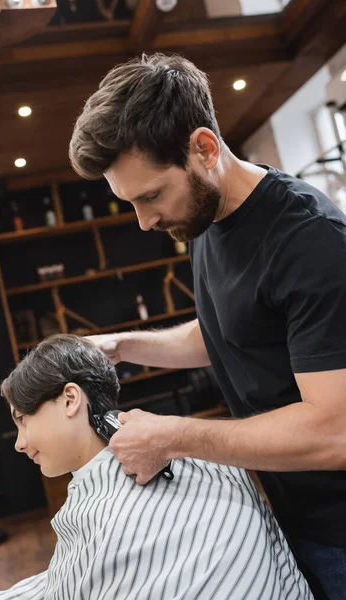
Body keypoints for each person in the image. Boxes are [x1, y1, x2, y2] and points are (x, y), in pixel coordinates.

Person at [69, 53, 346, 599]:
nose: (145, 221)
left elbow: (335, 431)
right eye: (130, 203)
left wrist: (177, 436)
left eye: (149, 196)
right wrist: (124, 345)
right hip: (292, 511)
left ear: (204, 148)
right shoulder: (205, 218)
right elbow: (227, 329)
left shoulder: (313, 244)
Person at [0, 334, 311, 600]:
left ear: (69, 399)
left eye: (23, 420)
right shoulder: (213, 460)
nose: (19, 443)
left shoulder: (96, 519)